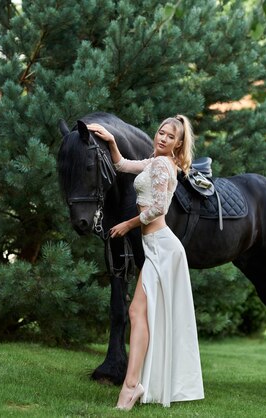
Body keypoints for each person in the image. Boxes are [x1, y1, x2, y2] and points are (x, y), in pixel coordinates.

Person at [87, 115, 204, 410]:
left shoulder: (165, 166)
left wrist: (127, 225)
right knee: (139, 313)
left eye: (169, 137)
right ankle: (133, 385)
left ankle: (131, 386)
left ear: (178, 144)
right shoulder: (153, 162)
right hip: (154, 246)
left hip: (163, 247)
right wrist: (111, 140)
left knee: (137, 312)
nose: (162, 138)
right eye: (160, 133)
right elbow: (122, 165)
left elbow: (158, 209)